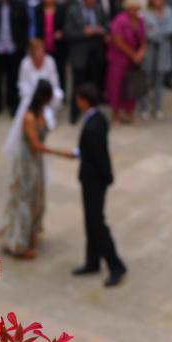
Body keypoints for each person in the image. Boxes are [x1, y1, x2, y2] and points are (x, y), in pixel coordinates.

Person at [1, 80, 75, 259]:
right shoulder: (29, 117)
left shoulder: (41, 112)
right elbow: (35, 145)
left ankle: (31, 233)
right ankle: (19, 242)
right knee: (25, 199)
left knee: (37, 197)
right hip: (27, 162)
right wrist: (61, 153)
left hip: (36, 162)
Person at [72, 84, 127, 288]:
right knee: (90, 220)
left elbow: (99, 156)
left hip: (94, 180)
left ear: (85, 101)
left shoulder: (93, 127)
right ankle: (92, 261)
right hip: (93, 178)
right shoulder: (98, 118)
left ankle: (116, 265)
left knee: (96, 223)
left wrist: (106, 177)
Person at [64, 0, 108, 123]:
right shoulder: (73, 10)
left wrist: (101, 29)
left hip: (95, 53)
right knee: (77, 85)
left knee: (93, 84)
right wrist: (84, 32)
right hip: (79, 54)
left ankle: (92, 112)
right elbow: (68, 32)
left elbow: (106, 24)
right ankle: (75, 113)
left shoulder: (99, 8)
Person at [106, 0, 146, 124]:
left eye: (136, 9)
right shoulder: (119, 20)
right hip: (118, 59)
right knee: (116, 86)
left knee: (132, 86)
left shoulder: (140, 21)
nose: (135, 11)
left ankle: (129, 112)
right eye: (132, 9)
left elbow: (143, 40)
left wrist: (141, 52)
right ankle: (116, 113)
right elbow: (118, 41)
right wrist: (133, 55)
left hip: (133, 62)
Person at [0, 0, 29, 116]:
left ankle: (13, 105)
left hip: (14, 49)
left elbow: (25, 26)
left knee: (13, 78)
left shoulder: (20, 6)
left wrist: (20, 46)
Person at [140, 0, 172, 119]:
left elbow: (171, 29)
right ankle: (144, 108)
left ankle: (157, 108)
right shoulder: (145, 13)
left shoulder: (169, 11)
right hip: (149, 50)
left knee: (159, 81)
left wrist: (155, 31)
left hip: (163, 50)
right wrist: (157, 32)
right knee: (146, 80)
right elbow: (144, 31)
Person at [17, 38, 64, 130]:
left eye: (42, 50)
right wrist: (33, 95)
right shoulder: (25, 63)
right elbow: (22, 83)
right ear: (32, 52)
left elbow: (54, 81)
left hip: (47, 91)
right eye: (38, 51)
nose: (41, 53)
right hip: (31, 93)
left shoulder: (50, 61)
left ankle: (50, 117)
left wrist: (46, 93)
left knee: (59, 95)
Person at [34, 0, 67, 93]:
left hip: (58, 47)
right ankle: (43, 93)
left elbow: (67, 25)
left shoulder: (62, 9)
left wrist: (62, 33)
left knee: (60, 70)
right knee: (44, 71)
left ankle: (60, 93)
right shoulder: (37, 10)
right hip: (42, 46)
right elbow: (35, 28)